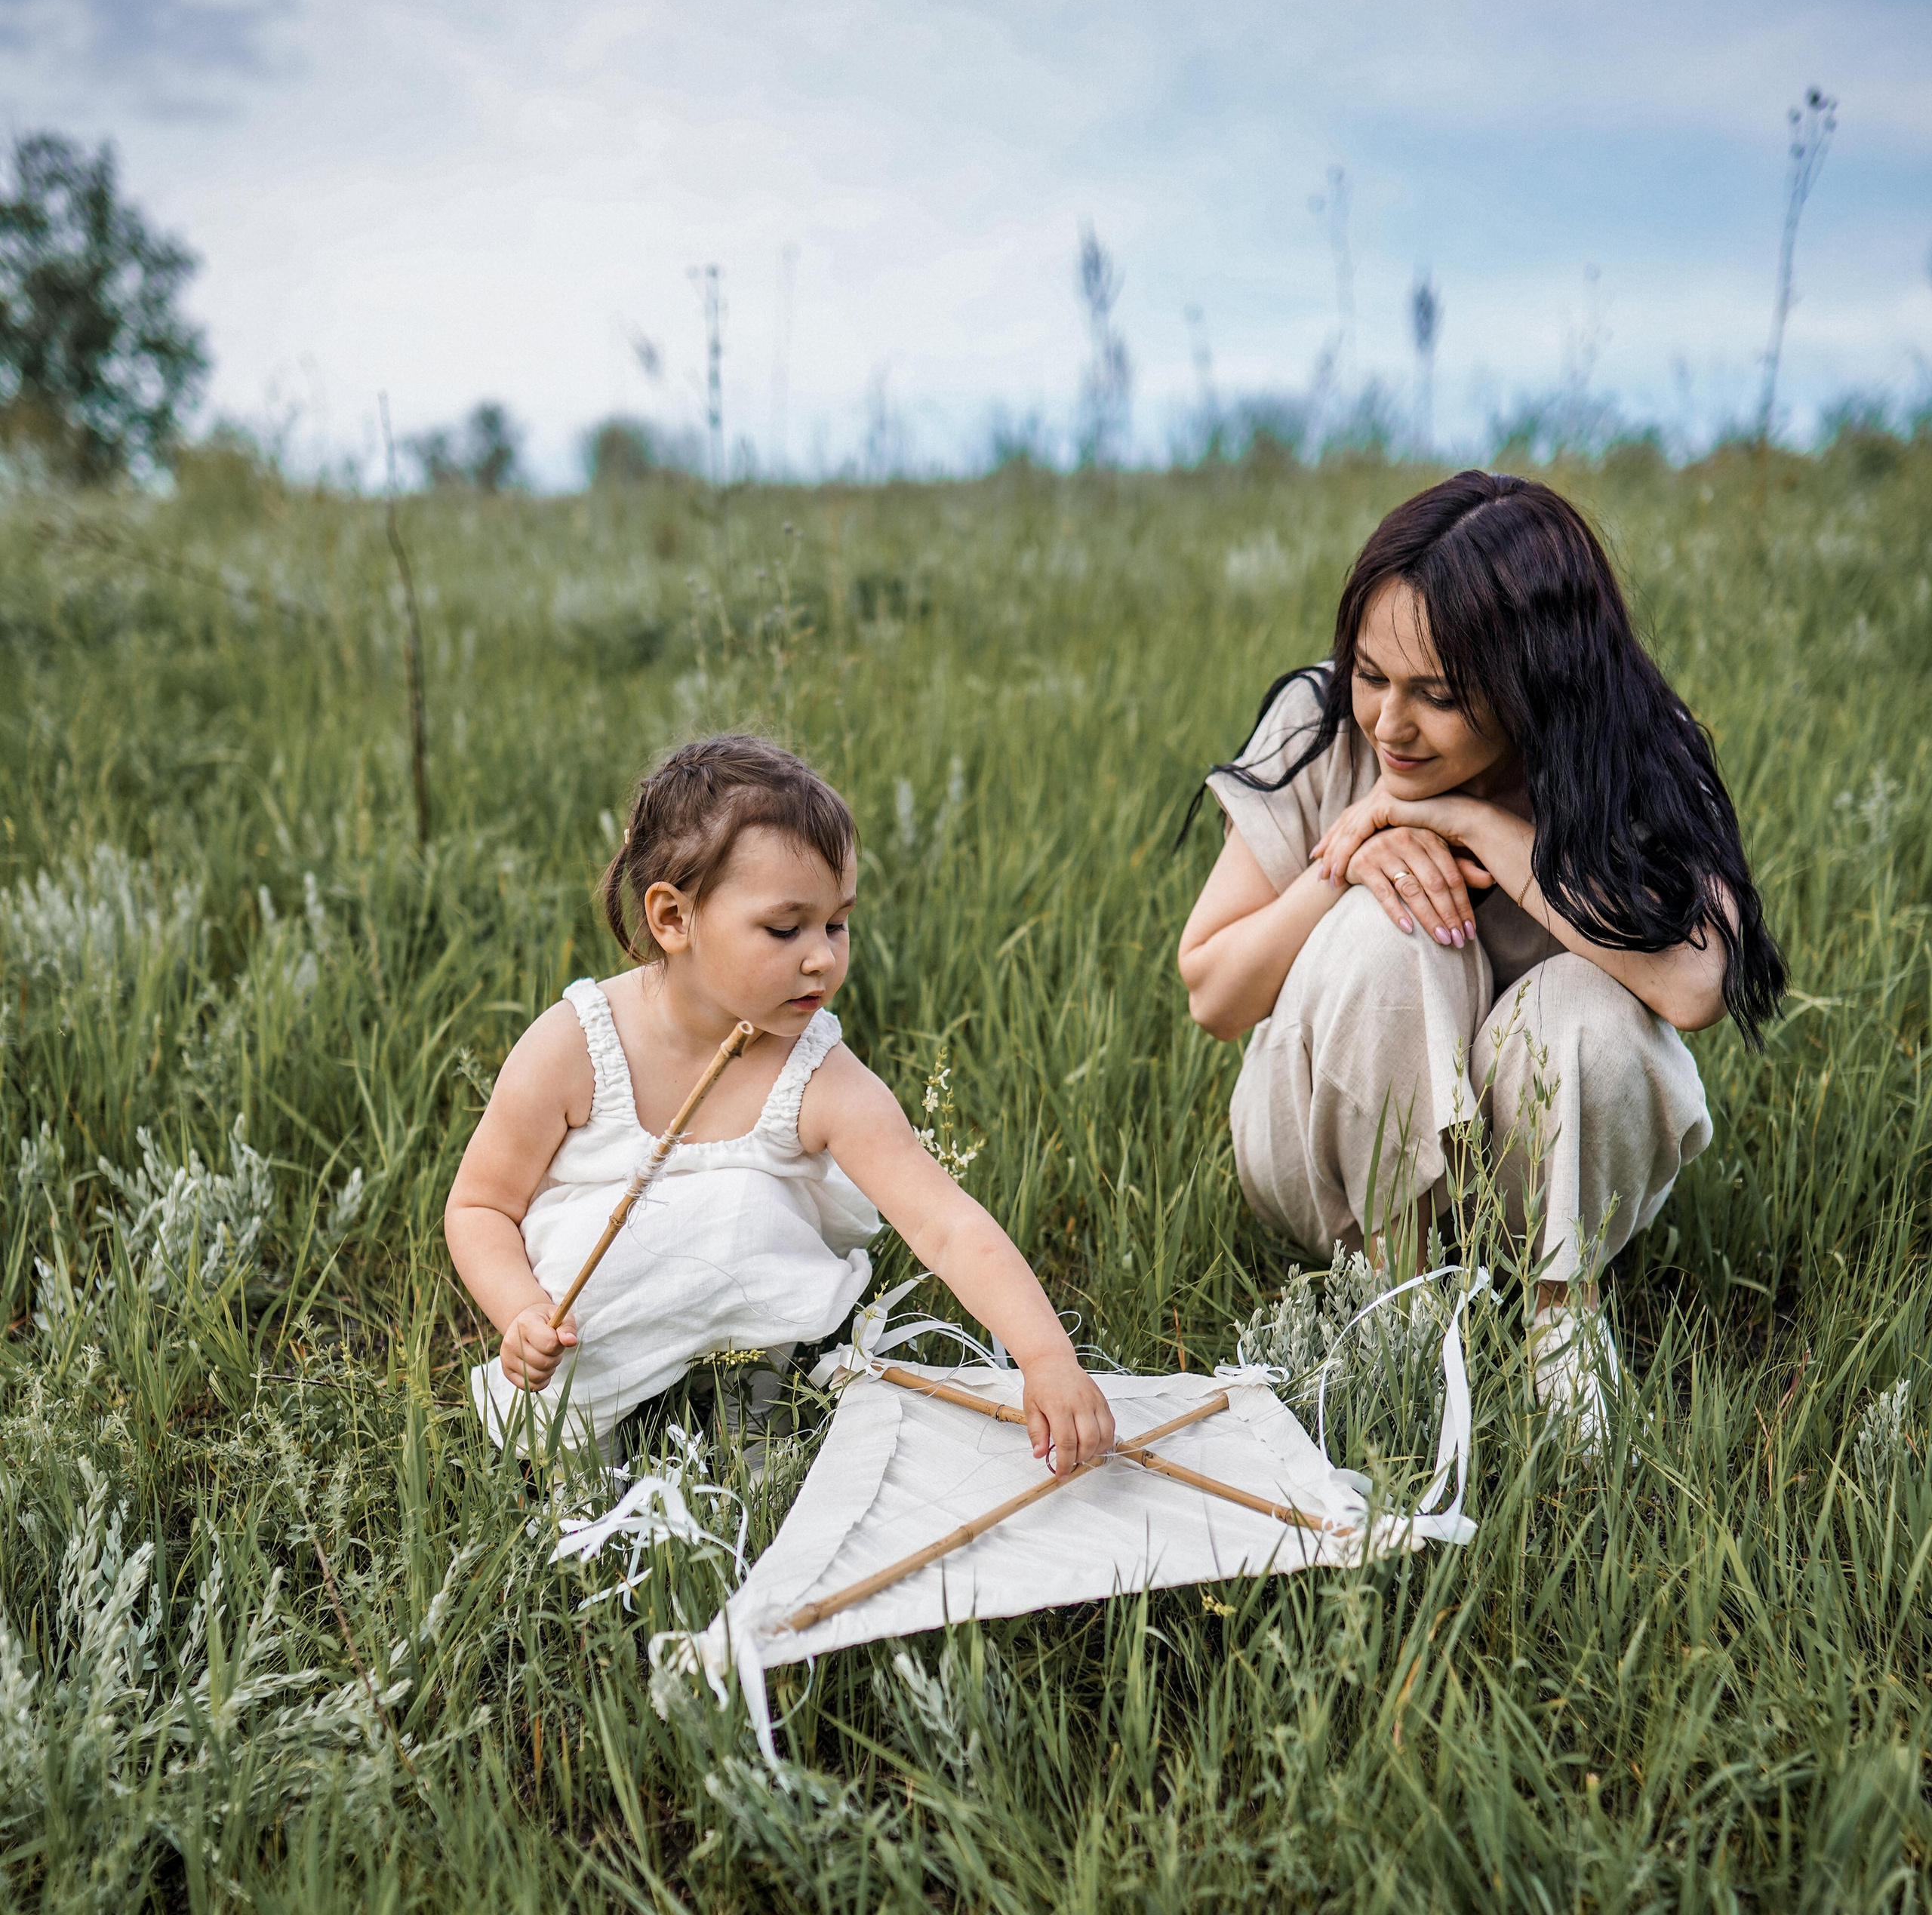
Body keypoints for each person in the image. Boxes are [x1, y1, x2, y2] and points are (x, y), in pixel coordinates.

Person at [1177, 471, 1784, 1443]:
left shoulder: (1631, 749)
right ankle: (1401, 1303)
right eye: (1371, 675)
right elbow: (1211, 989)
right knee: (1392, 924)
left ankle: (1562, 1318)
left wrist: (1465, 820)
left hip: (1541, 1189)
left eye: (1439, 696)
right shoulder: (1321, 722)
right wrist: (1350, 864)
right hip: (1329, 1173)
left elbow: (1693, 983)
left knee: (1592, 994)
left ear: (1534, 684)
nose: (1387, 725)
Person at [447, 733, 1115, 1471]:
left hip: (755, 1320)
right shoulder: (573, 1047)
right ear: (673, 919)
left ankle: (756, 1408)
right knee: (561, 1405)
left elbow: (946, 1223)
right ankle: (596, 1447)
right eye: (785, 928)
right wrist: (521, 1312)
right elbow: (480, 1207)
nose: (823, 957)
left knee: (743, 1210)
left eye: (837, 923)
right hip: (596, 1317)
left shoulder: (817, 1075)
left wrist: (1046, 1357)